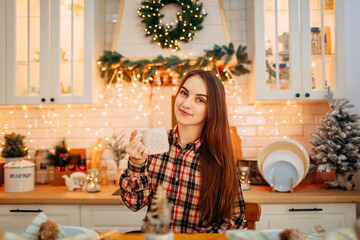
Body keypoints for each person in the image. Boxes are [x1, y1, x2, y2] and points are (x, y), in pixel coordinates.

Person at [119, 69, 246, 233]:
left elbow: (234, 222)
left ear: (213, 109)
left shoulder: (219, 158)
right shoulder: (154, 143)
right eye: (184, 93)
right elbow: (133, 203)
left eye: (200, 99)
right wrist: (136, 164)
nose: (186, 103)